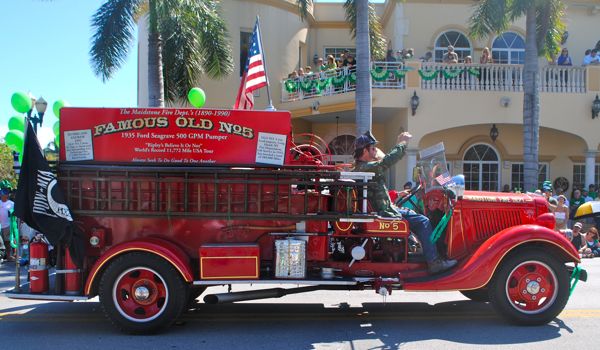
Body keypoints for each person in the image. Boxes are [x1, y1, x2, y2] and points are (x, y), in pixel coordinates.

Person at [352, 131, 457, 274]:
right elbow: (387, 160)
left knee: (415, 216)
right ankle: (434, 262)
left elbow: (383, 162)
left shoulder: (363, 167)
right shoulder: (368, 167)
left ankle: (423, 253)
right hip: (384, 212)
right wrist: (402, 143)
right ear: (365, 151)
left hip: (384, 209)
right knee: (423, 221)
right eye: (373, 148)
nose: (376, 150)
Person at [0, 189, 15, 261]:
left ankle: (9, 256)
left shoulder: (11, 204)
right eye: (2, 195)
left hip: (8, 225)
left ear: (7, 195)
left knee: (8, 242)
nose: (3, 197)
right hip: (0, 225)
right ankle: (2, 256)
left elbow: (15, 214)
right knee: (1, 242)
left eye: (5, 195)